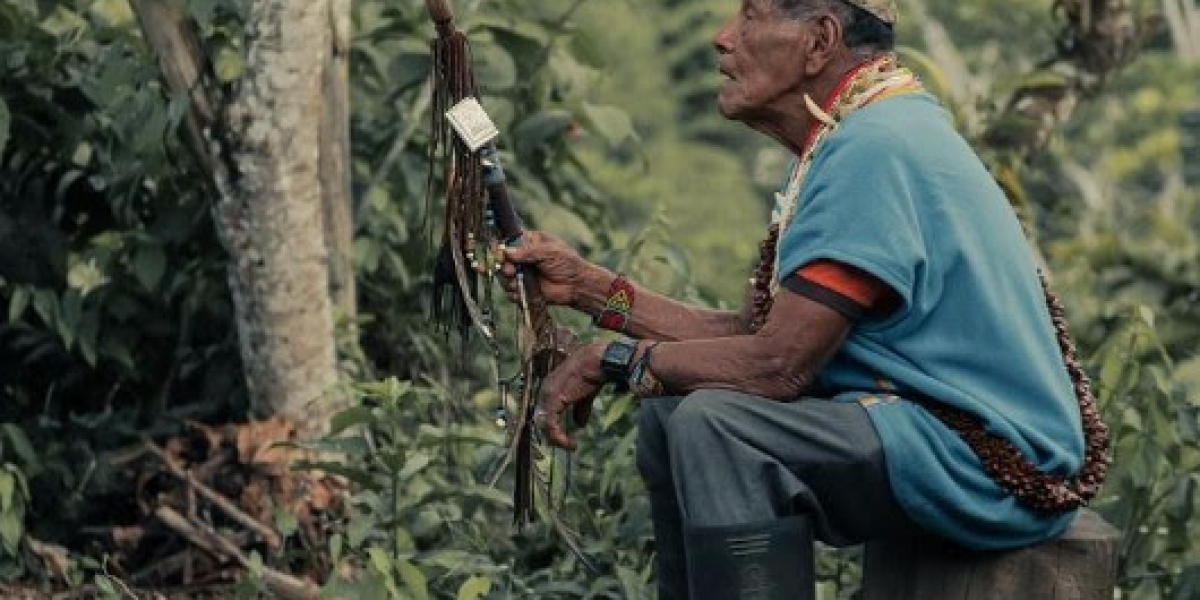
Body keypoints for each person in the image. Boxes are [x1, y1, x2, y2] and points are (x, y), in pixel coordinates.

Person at [499, 1, 1099, 598]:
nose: (723, 38)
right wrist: (586, 288)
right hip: (928, 430)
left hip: (990, 465)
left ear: (819, 39)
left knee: (719, 426)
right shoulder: (853, 132)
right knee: (672, 412)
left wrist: (613, 360)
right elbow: (758, 336)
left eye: (751, 17)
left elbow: (779, 365)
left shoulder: (875, 147)